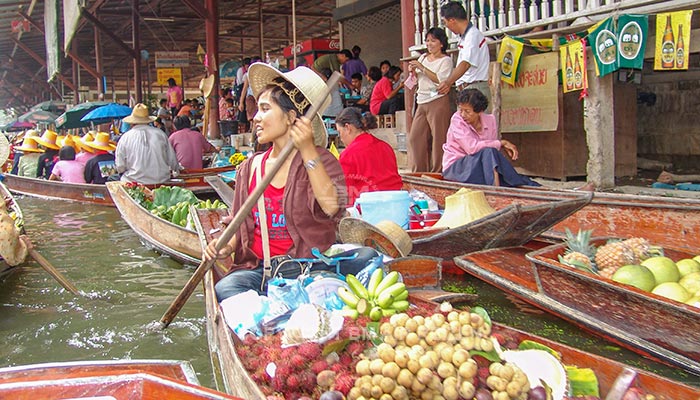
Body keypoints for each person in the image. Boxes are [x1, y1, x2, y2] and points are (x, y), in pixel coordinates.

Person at [203, 63, 369, 302]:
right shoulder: (250, 168)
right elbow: (239, 222)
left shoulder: (324, 160)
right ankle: (282, 302)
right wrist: (226, 246)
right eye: (257, 110)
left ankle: (289, 301)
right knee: (226, 289)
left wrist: (309, 151)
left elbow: (333, 207)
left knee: (367, 258)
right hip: (261, 273)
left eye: (265, 109)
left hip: (309, 270)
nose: (256, 118)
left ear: (291, 117)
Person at [442, 89, 540, 187]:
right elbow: (471, 148)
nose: (463, 115)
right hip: (456, 168)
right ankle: (496, 191)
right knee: (489, 152)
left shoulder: (490, 120)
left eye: (467, 111)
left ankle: (516, 184)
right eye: (460, 110)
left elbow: (491, 151)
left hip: (478, 168)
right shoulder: (457, 120)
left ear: (479, 111)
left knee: (493, 156)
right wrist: (501, 143)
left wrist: (497, 145)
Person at [407, 27, 454, 172]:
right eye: (427, 41)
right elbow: (415, 80)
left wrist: (422, 68)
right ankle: (420, 171)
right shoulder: (423, 57)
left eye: (433, 41)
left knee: (439, 138)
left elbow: (441, 80)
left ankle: (438, 171)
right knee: (415, 137)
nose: (429, 44)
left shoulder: (446, 61)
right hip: (422, 100)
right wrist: (413, 72)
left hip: (437, 100)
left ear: (441, 43)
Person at [336, 107, 402, 204]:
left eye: (339, 132)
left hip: (367, 208)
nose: (340, 138)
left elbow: (344, 192)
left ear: (348, 128)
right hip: (396, 202)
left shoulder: (349, 154)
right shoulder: (385, 146)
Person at [437, 2, 492, 109]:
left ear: (452, 20)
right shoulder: (464, 37)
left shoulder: (472, 35)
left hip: (475, 89)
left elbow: (465, 64)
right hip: (468, 89)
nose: (446, 26)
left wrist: (448, 82)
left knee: (477, 125)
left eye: (445, 22)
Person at [115, 103, 180, 184]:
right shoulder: (160, 134)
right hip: (161, 181)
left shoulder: (125, 138)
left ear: (132, 123)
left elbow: (120, 167)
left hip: (134, 182)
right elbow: (173, 162)